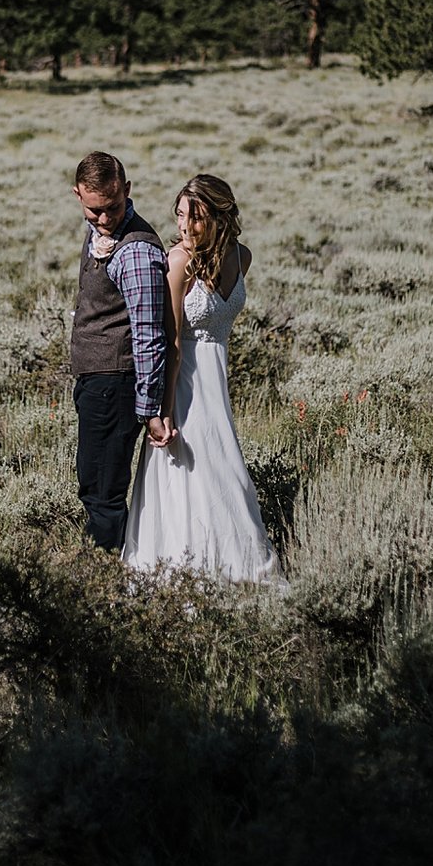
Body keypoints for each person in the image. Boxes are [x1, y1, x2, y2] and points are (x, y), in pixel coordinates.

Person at [122, 173, 281, 584]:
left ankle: (229, 564)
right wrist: (164, 411)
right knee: (193, 470)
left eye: (194, 218)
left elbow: (189, 340)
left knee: (223, 469)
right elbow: (172, 344)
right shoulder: (179, 261)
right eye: (179, 215)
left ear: (217, 216)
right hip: (187, 385)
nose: (183, 226)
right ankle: (184, 567)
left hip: (213, 381)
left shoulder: (241, 256)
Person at [70, 151, 173, 551]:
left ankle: (106, 578)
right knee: (95, 482)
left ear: (127, 191)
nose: (104, 219)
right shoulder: (98, 232)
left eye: (112, 207)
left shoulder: (137, 251)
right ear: (78, 195)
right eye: (94, 211)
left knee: (103, 492)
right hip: (98, 380)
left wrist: (149, 410)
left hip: (116, 383)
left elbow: (148, 336)